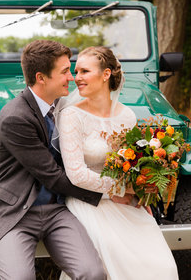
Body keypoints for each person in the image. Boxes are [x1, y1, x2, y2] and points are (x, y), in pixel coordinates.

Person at [57, 46, 179, 280]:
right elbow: (76, 175)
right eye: (76, 71)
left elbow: (132, 164)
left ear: (106, 74)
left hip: (126, 201)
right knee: (116, 261)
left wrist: (145, 188)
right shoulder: (72, 116)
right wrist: (117, 190)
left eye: (84, 71)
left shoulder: (127, 116)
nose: (77, 78)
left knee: (162, 266)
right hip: (89, 201)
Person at [0, 40, 107, 280]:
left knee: (93, 273)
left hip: (57, 210)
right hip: (17, 213)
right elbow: (52, 175)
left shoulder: (65, 106)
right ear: (41, 77)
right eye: (65, 71)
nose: (72, 78)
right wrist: (110, 193)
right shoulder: (15, 117)